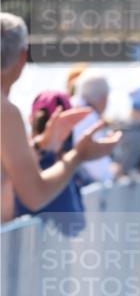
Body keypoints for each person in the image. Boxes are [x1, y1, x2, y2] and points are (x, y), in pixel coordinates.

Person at [0, 13, 121, 224]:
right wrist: (78, 155)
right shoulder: (6, 113)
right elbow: (36, 195)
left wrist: (40, 145)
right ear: (22, 57)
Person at [14, 90, 87, 236]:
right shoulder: (56, 165)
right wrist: (74, 158)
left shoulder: (13, 155)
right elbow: (74, 225)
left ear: (31, 119)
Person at [71, 70, 118, 185]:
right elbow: (98, 171)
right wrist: (115, 172)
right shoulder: (89, 117)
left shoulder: (71, 106)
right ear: (103, 99)